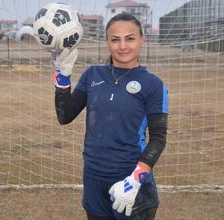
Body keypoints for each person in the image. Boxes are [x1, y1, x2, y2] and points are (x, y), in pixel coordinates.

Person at [52, 12, 168, 220]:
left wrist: (135, 179)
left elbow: (158, 138)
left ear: (142, 40)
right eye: (115, 39)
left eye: (130, 38)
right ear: (107, 42)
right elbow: (65, 116)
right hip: (93, 177)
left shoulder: (153, 84)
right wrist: (63, 77)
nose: (123, 46)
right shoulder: (92, 75)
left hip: (131, 180)